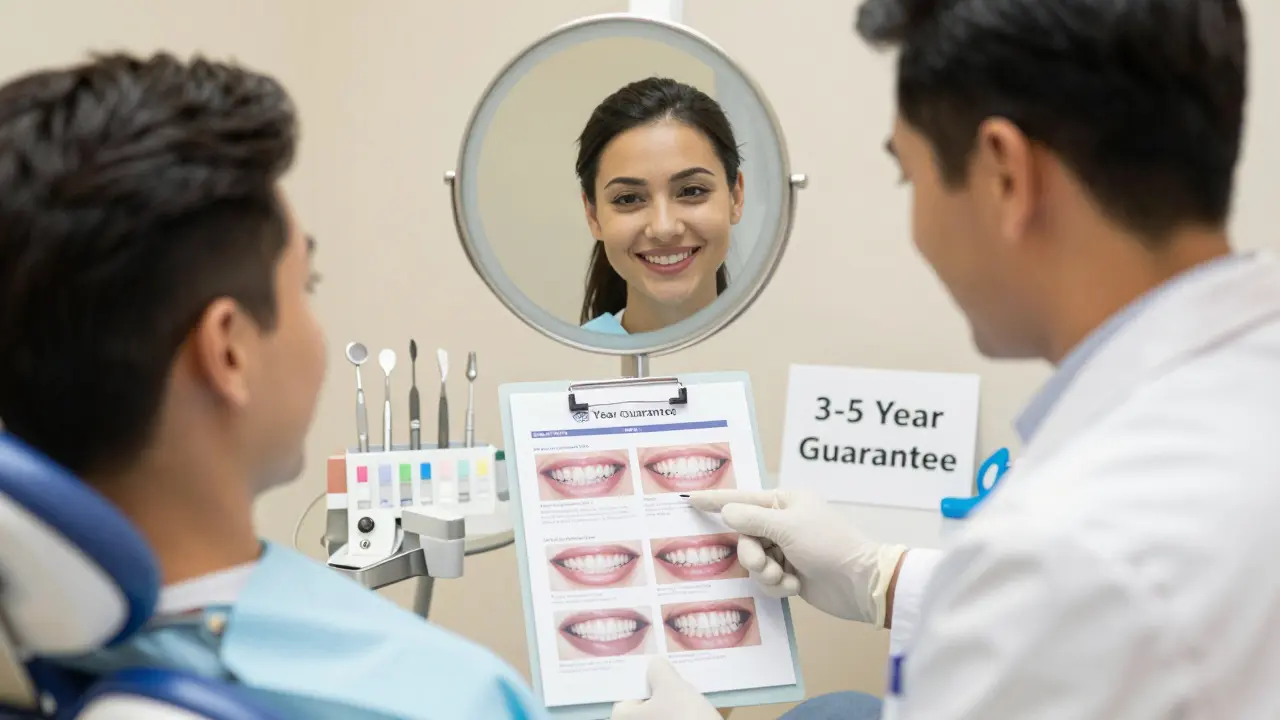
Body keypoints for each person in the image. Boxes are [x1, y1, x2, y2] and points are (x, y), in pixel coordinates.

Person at [615, 1, 1280, 719]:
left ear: (1004, 175)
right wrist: (884, 577)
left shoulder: (1069, 552)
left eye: (912, 177)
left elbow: (1064, 606)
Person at [0, 52, 546, 719]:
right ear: (228, 350)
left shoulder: (32, 663)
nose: (316, 331)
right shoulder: (453, 700)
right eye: (304, 287)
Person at [577, 77, 743, 335]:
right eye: (629, 199)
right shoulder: (565, 368)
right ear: (593, 215)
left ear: (736, 196)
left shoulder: (783, 354)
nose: (664, 228)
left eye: (691, 191)